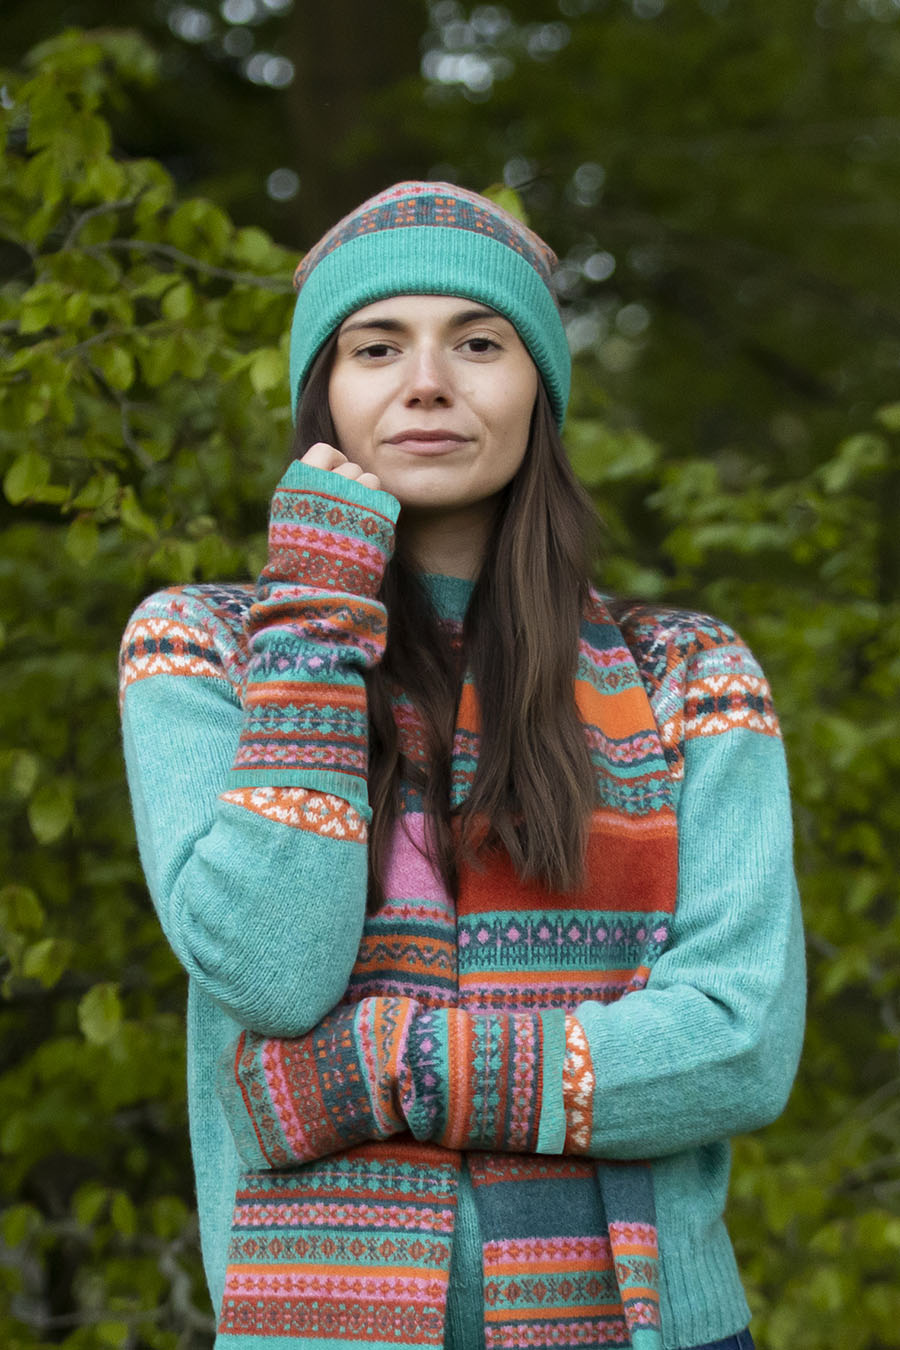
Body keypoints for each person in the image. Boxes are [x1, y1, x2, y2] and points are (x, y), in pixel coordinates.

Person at [119, 182, 805, 1350]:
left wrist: (387, 1069)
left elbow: (738, 1046)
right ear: (324, 390)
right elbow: (276, 974)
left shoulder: (690, 670)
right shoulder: (206, 650)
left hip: (644, 1328)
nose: (427, 381)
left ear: (538, 385)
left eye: (478, 343)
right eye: (377, 345)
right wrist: (318, 613)